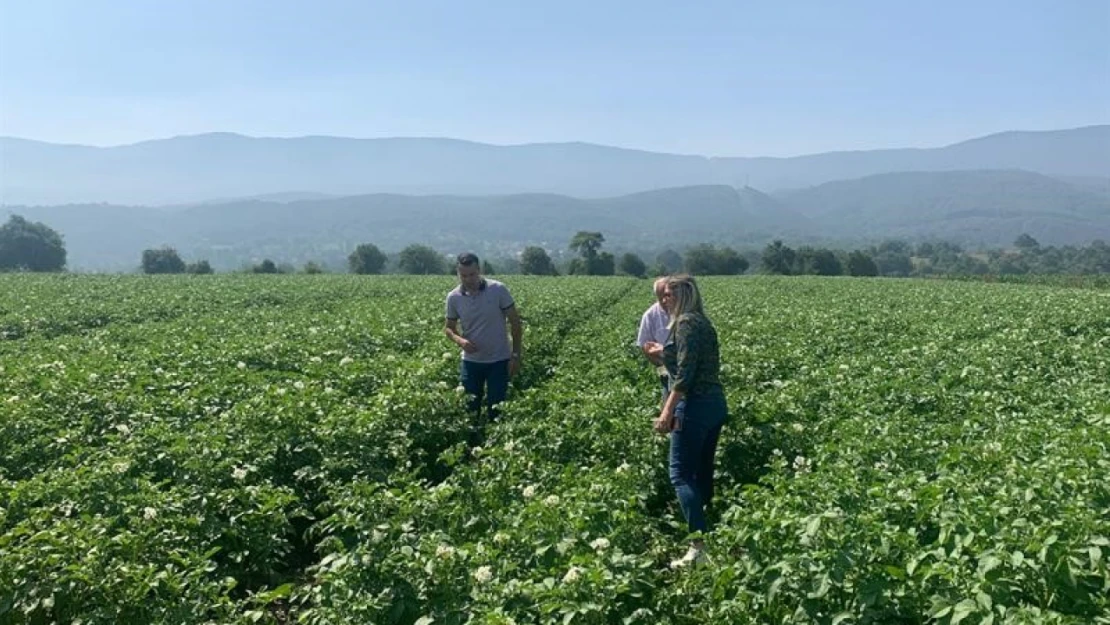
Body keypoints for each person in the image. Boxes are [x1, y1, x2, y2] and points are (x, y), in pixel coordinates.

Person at [651, 274, 728, 569]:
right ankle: (708, 528)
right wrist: (663, 354)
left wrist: (667, 412)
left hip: (693, 406)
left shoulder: (684, 324)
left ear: (683, 295)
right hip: (714, 404)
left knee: (680, 475)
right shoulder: (702, 322)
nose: (663, 300)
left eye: (669, 295)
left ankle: (699, 546)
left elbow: (685, 375)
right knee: (702, 470)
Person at [444, 252, 522, 422]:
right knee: (470, 409)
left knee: (497, 409)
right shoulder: (453, 297)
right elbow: (449, 329)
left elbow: (516, 323)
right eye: (463, 275)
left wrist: (515, 355)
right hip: (471, 362)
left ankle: (495, 444)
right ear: (458, 273)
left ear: (479, 270)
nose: (468, 279)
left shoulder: (498, 290)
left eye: (472, 274)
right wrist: (461, 341)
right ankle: (472, 444)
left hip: (499, 360)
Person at [637, 277, 672, 397]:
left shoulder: (684, 313)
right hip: (666, 369)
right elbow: (645, 347)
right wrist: (663, 367)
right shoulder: (650, 316)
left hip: (688, 370)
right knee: (668, 402)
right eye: (660, 296)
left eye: (667, 296)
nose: (663, 300)